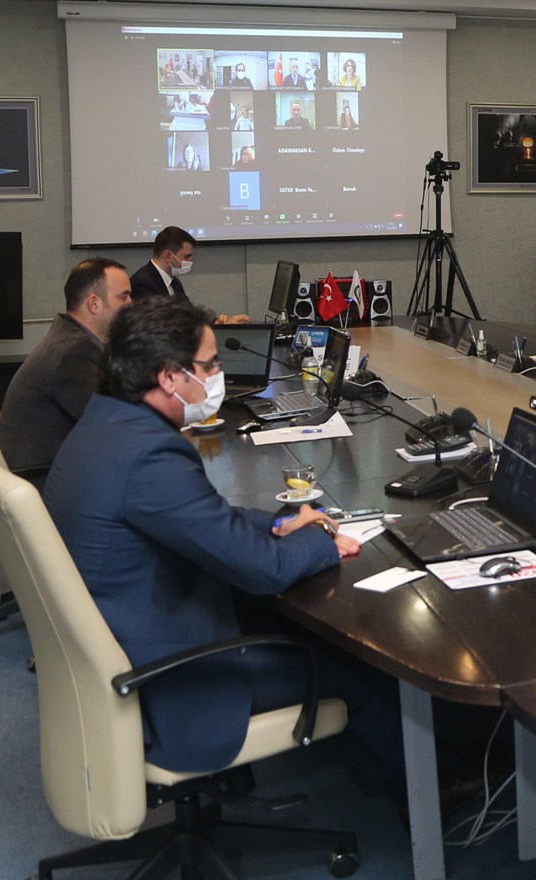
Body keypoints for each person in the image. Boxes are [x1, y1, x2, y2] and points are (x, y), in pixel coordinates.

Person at [42, 298, 374, 773]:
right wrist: (323, 536)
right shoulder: (151, 455)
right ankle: (430, 799)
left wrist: (279, 523)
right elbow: (266, 569)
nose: (219, 375)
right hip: (178, 681)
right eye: (210, 365)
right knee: (360, 667)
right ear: (169, 377)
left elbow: (202, 516)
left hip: (127, 639)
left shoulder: (107, 421)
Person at [0, 258, 131, 476]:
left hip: (48, 462)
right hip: (40, 475)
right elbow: (113, 424)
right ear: (94, 304)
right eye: (123, 297)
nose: (131, 304)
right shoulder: (74, 353)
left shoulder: (69, 337)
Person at [131, 225, 252, 324]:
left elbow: (190, 317)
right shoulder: (141, 283)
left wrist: (218, 323)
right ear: (167, 256)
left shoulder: (174, 283)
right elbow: (160, 326)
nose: (190, 261)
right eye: (187, 256)